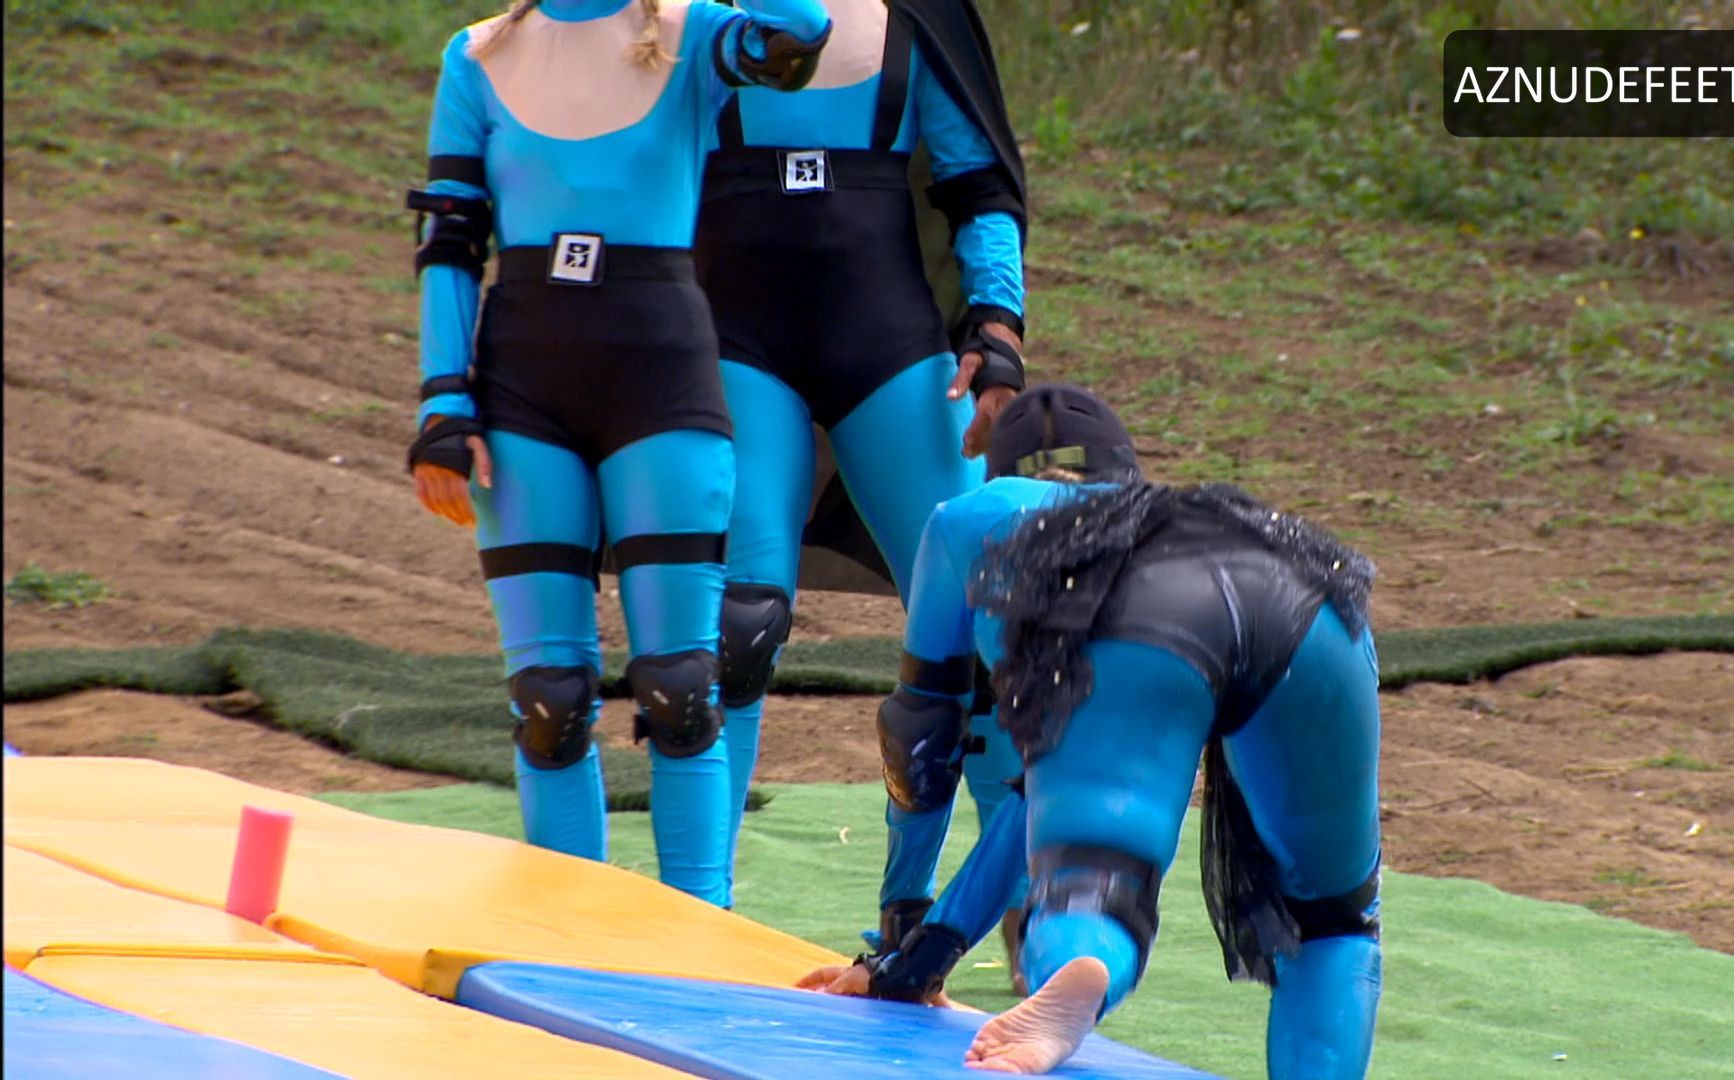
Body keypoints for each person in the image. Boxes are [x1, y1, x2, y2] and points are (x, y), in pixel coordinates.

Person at [800, 385, 1385, 1079]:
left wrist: (900, 936)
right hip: (1308, 598)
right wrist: (927, 954)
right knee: (1336, 921)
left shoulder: (977, 515)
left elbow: (918, 746)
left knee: (1095, 876)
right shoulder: (1163, 514)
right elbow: (1030, 802)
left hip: (1148, 611)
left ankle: (1083, 960)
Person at [405, 0, 830, 905]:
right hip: (522, 388)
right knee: (548, 701)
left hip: (661, 377)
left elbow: (801, 31)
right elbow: (449, 243)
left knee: (682, 688)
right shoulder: (475, 57)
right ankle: (569, 939)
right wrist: (443, 404)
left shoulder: (694, 35)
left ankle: (700, 928)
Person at [690, 0, 1031, 940]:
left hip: (891, 348)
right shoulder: (692, 19)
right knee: (737, 628)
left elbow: (979, 187)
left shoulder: (922, 19)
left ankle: (1016, 900)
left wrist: (997, 329)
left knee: (982, 637)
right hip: (734, 342)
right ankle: (697, 908)